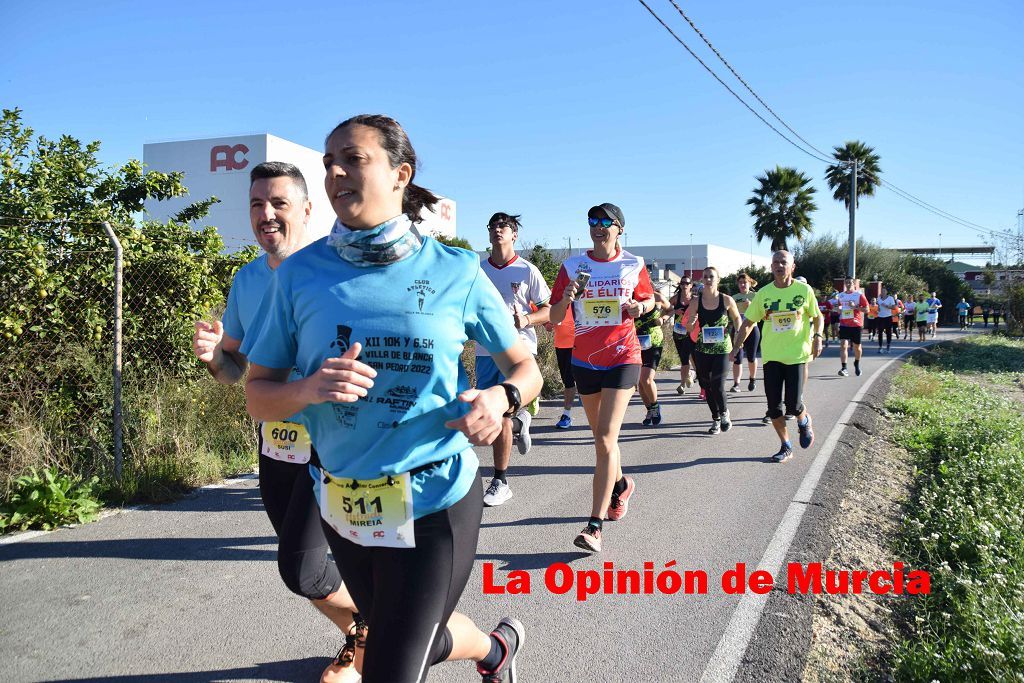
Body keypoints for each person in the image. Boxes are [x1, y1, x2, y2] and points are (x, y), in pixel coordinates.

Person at [243, 115, 540, 682]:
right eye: (329, 161)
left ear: (400, 174)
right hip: (345, 506)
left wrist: (501, 401)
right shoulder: (300, 276)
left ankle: (481, 649)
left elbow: (526, 368)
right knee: (399, 638)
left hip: (434, 500)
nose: (334, 172)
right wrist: (307, 389)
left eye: (352, 159)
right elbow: (259, 395)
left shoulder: (456, 271)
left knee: (390, 667)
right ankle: (496, 649)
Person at [192, 162, 364, 683]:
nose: (266, 215)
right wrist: (213, 358)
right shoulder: (245, 279)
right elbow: (237, 372)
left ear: (308, 210)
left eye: (279, 204)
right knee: (310, 570)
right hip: (275, 446)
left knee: (304, 568)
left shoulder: (333, 272)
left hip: (334, 448)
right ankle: (374, 635)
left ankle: (375, 639)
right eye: (256, 205)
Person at [549, 202, 654, 553]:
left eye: (605, 222)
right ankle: (622, 485)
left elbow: (650, 300)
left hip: (624, 357)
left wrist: (641, 307)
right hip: (585, 360)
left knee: (606, 438)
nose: (598, 226)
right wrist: (567, 296)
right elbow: (555, 315)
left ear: (619, 228)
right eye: (592, 220)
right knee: (602, 439)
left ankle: (594, 525)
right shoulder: (572, 266)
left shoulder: (633, 264)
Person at [475, 212, 551, 507]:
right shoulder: (477, 271)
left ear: (514, 234)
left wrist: (527, 318)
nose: (497, 230)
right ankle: (520, 423)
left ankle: (500, 480)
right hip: (485, 351)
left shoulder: (527, 270)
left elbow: (550, 311)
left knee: (502, 415)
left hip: (520, 351)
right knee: (496, 417)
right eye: (492, 226)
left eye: (503, 226)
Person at [731, 250, 823, 462]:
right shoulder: (764, 293)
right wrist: (737, 347)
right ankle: (786, 445)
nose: (779, 265)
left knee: (793, 404)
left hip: (796, 355)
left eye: (783, 262)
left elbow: (817, 317)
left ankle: (803, 420)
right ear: (771, 267)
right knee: (774, 407)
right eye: (775, 262)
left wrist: (818, 336)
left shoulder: (804, 290)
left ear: (792, 266)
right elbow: (748, 322)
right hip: (772, 356)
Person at [684, 267, 742, 434]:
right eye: (705, 277)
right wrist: (692, 322)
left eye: (712, 277)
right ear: (702, 280)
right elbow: (688, 327)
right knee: (706, 385)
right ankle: (715, 419)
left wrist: (738, 332)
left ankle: (724, 413)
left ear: (718, 280)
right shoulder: (696, 301)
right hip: (702, 348)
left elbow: (737, 318)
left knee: (717, 384)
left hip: (722, 348)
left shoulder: (726, 300)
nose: (708, 279)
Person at [636, 287, 672, 426]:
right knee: (640, 382)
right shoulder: (629, 298)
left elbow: (671, 309)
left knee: (647, 379)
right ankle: (650, 410)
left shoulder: (657, 297)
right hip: (636, 342)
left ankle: (655, 407)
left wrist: (663, 319)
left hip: (655, 341)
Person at [549, 296, 577, 429]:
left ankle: (567, 414)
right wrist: (547, 323)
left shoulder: (580, 299)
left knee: (583, 380)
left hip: (580, 344)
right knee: (568, 382)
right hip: (561, 345)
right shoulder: (556, 301)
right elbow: (548, 325)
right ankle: (567, 415)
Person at [731, 272, 761, 391]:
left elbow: (762, 311)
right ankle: (736, 384)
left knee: (751, 357)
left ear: (749, 283)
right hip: (737, 329)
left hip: (752, 329)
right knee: (737, 356)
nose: (743, 285)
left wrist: (752, 306)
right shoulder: (734, 298)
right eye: (740, 283)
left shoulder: (756, 296)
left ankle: (752, 379)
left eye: (745, 282)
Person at [834, 277, 868, 377]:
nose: (848, 284)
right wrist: (838, 309)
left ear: (853, 284)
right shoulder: (841, 295)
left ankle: (856, 364)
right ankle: (844, 368)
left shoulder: (859, 295)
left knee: (857, 347)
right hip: (844, 323)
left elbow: (867, 309)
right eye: (846, 283)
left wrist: (855, 307)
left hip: (856, 324)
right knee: (843, 345)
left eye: (850, 283)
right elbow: (839, 307)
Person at [671, 277, 697, 394]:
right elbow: (665, 309)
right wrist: (674, 312)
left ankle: (683, 382)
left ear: (691, 285)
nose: (684, 285)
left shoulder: (694, 299)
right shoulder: (676, 299)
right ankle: (689, 375)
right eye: (682, 283)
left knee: (692, 357)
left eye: (687, 283)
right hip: (678, 332)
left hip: (692, 332)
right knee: (683, 358)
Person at [876, 286, 896, 353]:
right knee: (880, 332)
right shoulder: (878, 298)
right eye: (882, 291)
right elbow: (878, 306)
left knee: (888, 332)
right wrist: (878, 308)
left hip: (888, 317)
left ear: (887, 292)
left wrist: (887, 306)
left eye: (884, 291)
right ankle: (880, 347)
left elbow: (894, 307)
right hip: (880, 317)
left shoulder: (890, 298)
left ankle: (888, 346)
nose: (883, 292)